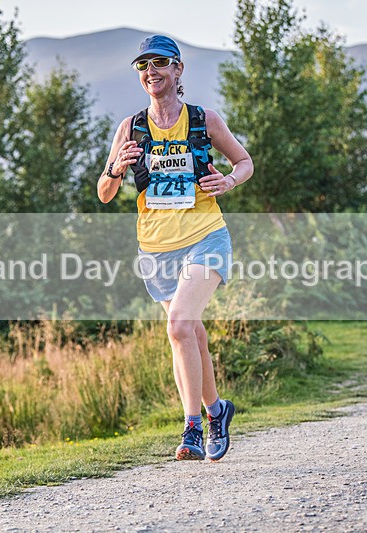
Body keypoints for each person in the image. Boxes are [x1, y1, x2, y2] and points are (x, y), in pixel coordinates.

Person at [97, 35, 254, 461]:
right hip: (156, 247)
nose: (152, 72)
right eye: (143, 66)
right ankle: (217, 410)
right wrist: (116, 167)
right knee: (192, 333)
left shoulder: (204, 119)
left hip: (206, 236)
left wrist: (229, 181)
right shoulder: (130, 129)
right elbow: (105, 193)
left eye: (161, 63)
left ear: (178, 69)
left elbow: (244, 162)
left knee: (179, 326)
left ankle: (191, 429)